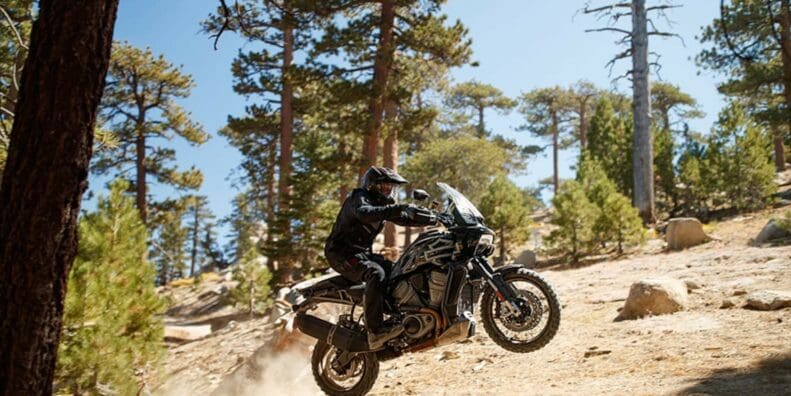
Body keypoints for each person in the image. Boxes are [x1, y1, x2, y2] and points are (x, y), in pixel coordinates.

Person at [324, 166, 435, 349]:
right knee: (375, 273)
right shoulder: (358, 197)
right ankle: (375, 331)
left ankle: (398, 317)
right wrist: (399, 208)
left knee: (398, 270)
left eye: (390, 187)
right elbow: (364, 213)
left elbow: (403, 219)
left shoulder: (385, 204)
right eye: (383, 186)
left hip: (362, 254)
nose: (387, 190)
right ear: (371, 185)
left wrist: (432, 218)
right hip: (341, 253)